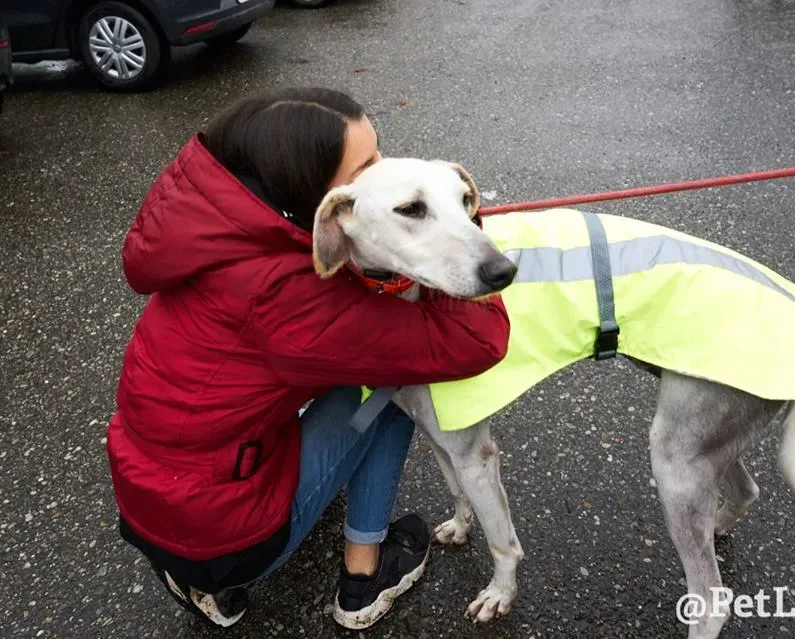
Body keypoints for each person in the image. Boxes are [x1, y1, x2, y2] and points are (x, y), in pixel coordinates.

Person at [106, 87, 511, 630]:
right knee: (385, 386)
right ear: (319, 194)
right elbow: (478, 340)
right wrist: (463, 235)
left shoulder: (220, 227)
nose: (384, 169)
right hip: (217, 536)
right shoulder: (287, 294)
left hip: (155, 497)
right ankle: (363, 579)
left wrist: (427, 212)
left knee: (343, 382)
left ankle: (199, 573)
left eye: (379, 150)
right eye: (367, 165)